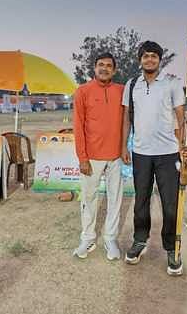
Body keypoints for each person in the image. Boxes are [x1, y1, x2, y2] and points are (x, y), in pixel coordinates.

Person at [121, 40, 187, 276]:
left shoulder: (172, 83)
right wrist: (123, 146)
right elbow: (127, 119)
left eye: (154, 56)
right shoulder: (131, 85)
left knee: (171, 205)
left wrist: (184, 145)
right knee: (141, 201)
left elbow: (182, 117)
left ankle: (171, 248)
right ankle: (140, 240)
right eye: (146, 56)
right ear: (140, 59)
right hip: (141, 153)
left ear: (160, 60)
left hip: (168, 153)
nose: (150, 59)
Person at [72, 52, 124, 260]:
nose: (104, 68)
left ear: (114, 69)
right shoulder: (83, 91)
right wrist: (82, 157)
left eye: (109, 65)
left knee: (115, 199)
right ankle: (88, 238)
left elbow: (128, 121)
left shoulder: (121, 91)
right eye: (100, 65)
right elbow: (78, 125)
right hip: (91, 157)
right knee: (88, 198)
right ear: (94, 68)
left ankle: (110, 238)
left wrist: (124, 150)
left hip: (116, 157)